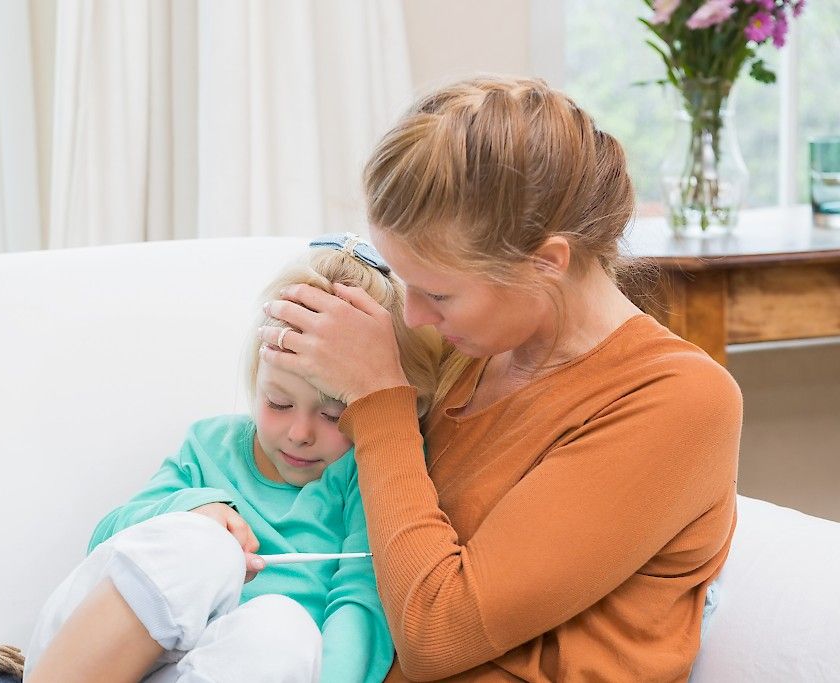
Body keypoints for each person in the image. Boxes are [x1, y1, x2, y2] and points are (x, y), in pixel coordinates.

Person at [258, 76, 742, 682]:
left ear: (547, 262)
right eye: (406, 282)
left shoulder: (678, 400)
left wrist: (381, 399)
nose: (413, 317)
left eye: (438, 292)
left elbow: (436, 634)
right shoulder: (468, 350)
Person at [24, 237, 441, 683]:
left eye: (333, 415)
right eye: (278, 403)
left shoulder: (364, 477)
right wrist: (192, 510)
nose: (299, 434)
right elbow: (108, 538)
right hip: (85, 653)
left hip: (218, 668)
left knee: (285, 630)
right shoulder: (211, 445)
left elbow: (362, 610)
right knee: (202, 544)